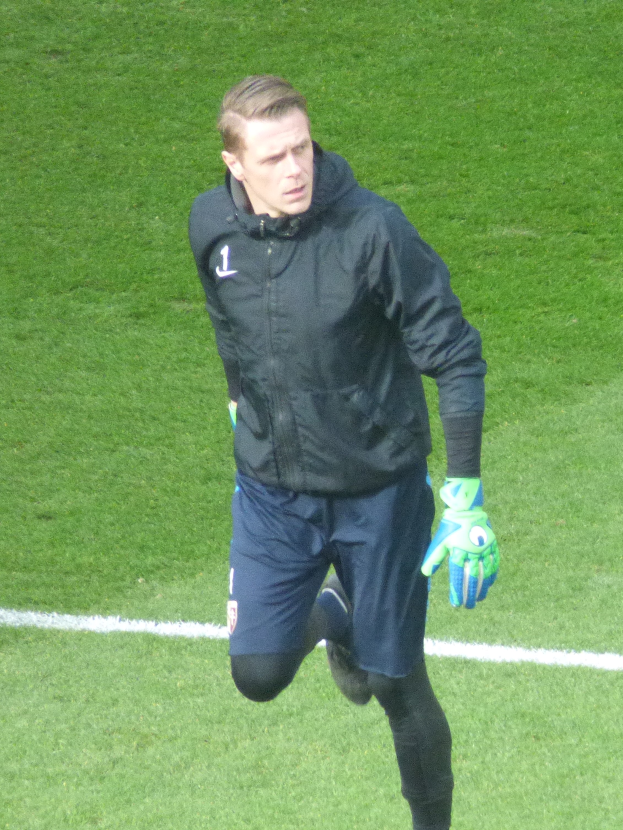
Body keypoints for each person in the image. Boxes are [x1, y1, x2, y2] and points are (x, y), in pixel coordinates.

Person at [189, 75, 499, 830]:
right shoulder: (210, 227)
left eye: (302, 148)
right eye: (273, 157)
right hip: (272, 492)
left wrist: (463, 494)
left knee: (394, 682)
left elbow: (456, 355)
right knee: (256, 675)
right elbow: (230, 325)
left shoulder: (372, 231)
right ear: (235, 164)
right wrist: (245, 412)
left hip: (379, 494)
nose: (295, 169)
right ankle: (331, 614)